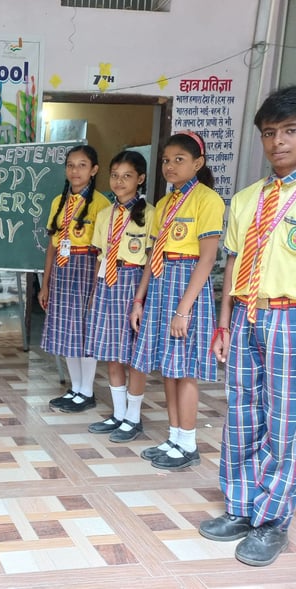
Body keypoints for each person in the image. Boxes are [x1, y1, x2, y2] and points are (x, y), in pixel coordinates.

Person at [201, 85, 296, 567]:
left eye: (290, 131)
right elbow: (233, 263)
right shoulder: (244, 200)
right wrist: (223, 324)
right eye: (270, 133)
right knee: (241, 412)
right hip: (244, 314)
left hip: (290, 316)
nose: (278, 142)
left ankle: (273, 518)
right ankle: (241, 505)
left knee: (284, 419)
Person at [130, 131, 224, 470]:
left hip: (187, 287)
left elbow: (207, 259)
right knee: (169, 369)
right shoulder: (165, 204)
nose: (170, 166)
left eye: (179, 160)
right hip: (160, 283)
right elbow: (153, 255)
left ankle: (188, 443)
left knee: (185, 371)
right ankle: (173, 438)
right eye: (166, 160)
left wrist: (183, 310)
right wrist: (139, 299)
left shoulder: (208, 200)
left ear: (198, 163)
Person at [86, 151, 154, 442]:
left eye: (127, 176)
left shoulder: (150, 214)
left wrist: (140, 298)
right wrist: (94, 292)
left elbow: (151, 261)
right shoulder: (105, 214)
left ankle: (133, 418)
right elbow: (100, 257)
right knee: (112, 352)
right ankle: (119, 413)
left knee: (134, 355)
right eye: (114, 175)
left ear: (140, 179)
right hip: (107, 283)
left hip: (133, 281)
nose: (119, 181)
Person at [39, 145, 110, 412]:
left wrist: (97, 287)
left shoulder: (101, 204)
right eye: (70, 165)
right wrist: (45, 283)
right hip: (62, 269)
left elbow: (103, 250)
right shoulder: (58, 202)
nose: (75, 171)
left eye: (82, 165)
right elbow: (53, 246)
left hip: (87, 269)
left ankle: (87, 391)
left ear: (94, 170)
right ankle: (76, 388)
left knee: (84, 331)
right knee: (66, 330)